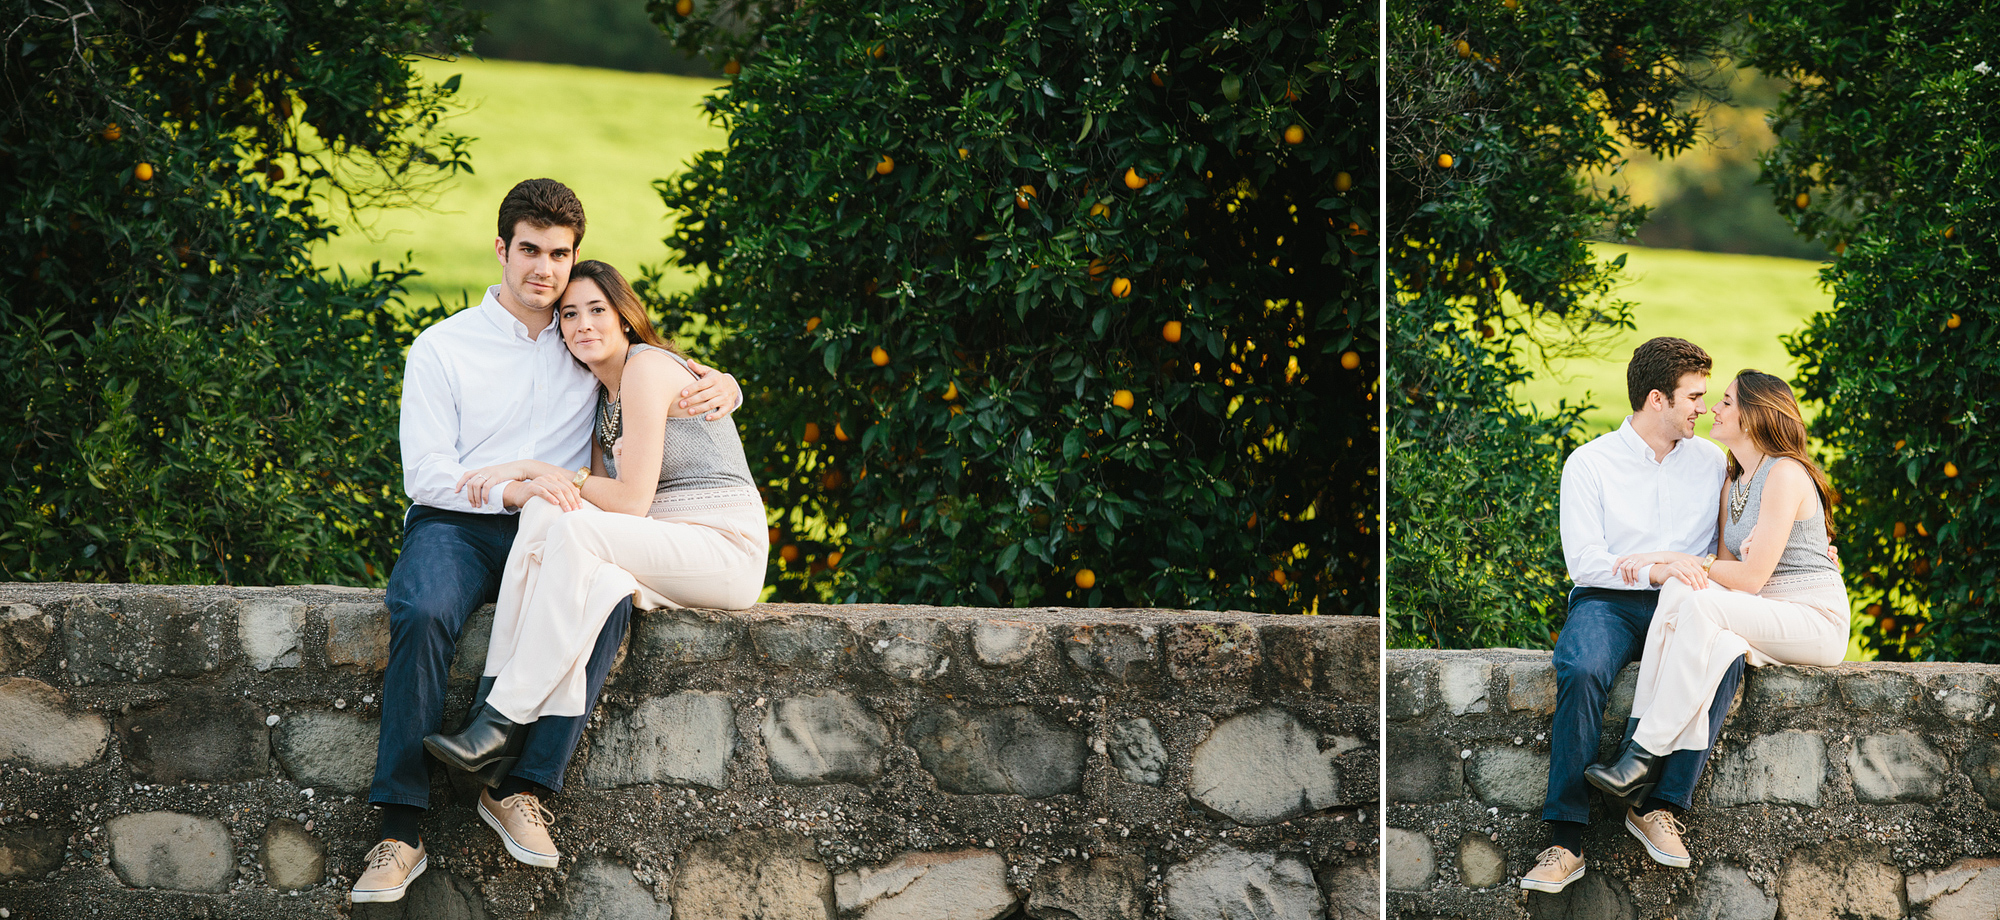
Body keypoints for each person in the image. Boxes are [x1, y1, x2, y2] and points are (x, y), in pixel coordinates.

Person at [352, 179, 743, 904]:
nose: (544, 268)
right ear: (501, 249)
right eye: (529, 249)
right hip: (462, 525)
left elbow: (655, 372)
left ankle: (522, 789)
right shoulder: (443, 348)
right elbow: (427, 472)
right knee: (422, 608)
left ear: (575, 257)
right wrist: (513, 488)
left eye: (559, 253)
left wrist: (723, 383)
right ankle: (401, 831)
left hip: (564, 526)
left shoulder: (584, 339)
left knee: (609, 601)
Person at [419, 259, 769, 868]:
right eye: (569, 314)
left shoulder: (645, 368)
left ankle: (498, 719)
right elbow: (597, 502)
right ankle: (499, 737)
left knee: (570, 524)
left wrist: (532, 470)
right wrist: (541, 484)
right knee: (550, 520)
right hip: (666, 541)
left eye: (596, 311)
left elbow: (627, 500)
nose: (582, 325)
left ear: (625, 315)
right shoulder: (603, 398)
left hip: (723, 545)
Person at [1520, 337, 1746, 894]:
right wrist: (1655, 571)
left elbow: (1743, 534)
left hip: (1691, 602)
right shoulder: (1590, 463)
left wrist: (1817, 550)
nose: (1704, 407)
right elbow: (1586, 561)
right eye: (1694, 397)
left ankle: (1658, 806)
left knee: (1726, 659)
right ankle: (1566, 839)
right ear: (1656, 399)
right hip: (1611, 600)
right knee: (1581, 666)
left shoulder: (1713, 462)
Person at [1583, 371, 1847, 804]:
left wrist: (1667, 557)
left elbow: (1747, 578)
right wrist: (1680, 569)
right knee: (1682, 592)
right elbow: (1722, 569)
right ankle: (1636, 751)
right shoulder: (1734, 482)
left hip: (1813, 618)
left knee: (1701, 604)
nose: (1712, 410)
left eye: (1725, 402)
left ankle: (1642, 754)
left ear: (1753, 417)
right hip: (1764, 610)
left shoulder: (1784, 474)